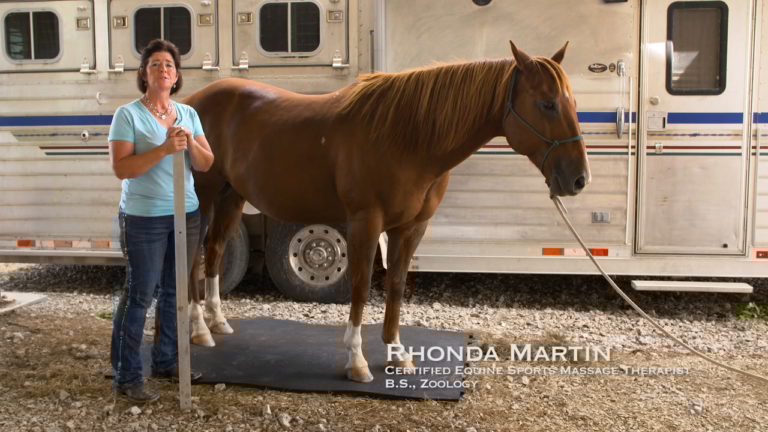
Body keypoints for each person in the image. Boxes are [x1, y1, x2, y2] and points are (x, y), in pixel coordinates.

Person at [108, 39, 214, 403]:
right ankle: (126, 375)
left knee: (174, 292)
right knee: (140, 295)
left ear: (177, 75)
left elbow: (205, 163)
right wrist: (164, 149)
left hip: (186, 214)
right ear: (144, 74)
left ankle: (167, 362)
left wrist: (189, 144)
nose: (163, 69)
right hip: (143, 218)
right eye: (155, 64)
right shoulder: (128, 115)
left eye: (169, 64)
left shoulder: (188, 114)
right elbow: (122, 168)